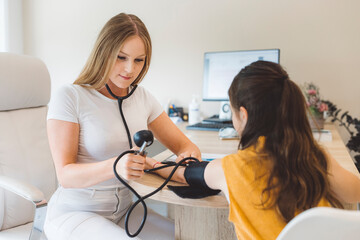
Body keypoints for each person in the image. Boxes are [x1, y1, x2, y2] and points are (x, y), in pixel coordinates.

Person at [146, 61, 360, 240]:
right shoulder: (315, 157)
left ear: (244, 115)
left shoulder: (231, 169)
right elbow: (355, 192)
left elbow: (185, 173)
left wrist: (151, 164)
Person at [44, 12, 201, 240]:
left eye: (139, 60)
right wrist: (116, 165)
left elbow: (186, 147)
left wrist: (187, 160)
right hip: (76, 213)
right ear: (104, 52)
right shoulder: (71, 96)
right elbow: (66, 175)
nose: (130, 69)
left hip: (125, 210)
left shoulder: (143, 98)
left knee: (186, 236)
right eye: (121, 57)